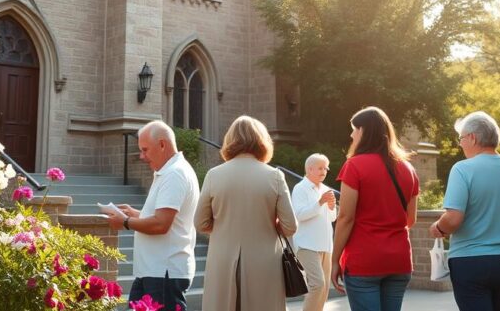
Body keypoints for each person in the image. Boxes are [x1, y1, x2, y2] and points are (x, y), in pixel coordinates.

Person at [430, 111, 500, 311]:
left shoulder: (462, 169)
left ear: (472, 138)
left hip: (470, 261)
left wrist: (439, 227)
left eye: (461, 139)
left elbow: (454, 218)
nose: (461, 144)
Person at [194, 115, 297, 311]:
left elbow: (200, 223)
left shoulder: (214, 175)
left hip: (222, 258)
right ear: (262, 141)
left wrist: (223, 226)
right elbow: (290, 226)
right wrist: (271, 224)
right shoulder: (275, 176)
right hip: (264, 261)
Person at [103, 120, 199, 311]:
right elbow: (168, 218)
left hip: (164, 274)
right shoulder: (170, 171)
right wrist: (136, 214)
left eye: (145, 150)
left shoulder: (175, 174)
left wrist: (126, 222)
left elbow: (161, 224)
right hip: (156, 272)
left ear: (162, 145)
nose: (142, 156)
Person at [331, 106, 419, 311]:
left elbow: (345, 217)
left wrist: (335, 260)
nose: (351, 134)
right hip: (399, 260)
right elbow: (410, 220)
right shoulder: (408, 168)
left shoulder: (354, 166)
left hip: (364, 261)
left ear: (363, 131)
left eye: (354, 129)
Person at [291, 153, 337, 311]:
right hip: (306, 245)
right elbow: (300, 215)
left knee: (323, 290)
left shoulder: (325, 189)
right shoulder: (300, 188)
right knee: (317, 284)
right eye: (320, 168)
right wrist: (320, 202)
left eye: (326, 168)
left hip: (325, 246)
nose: (324, 171)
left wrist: (331, 207)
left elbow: (331, 218)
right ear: (309, 169)